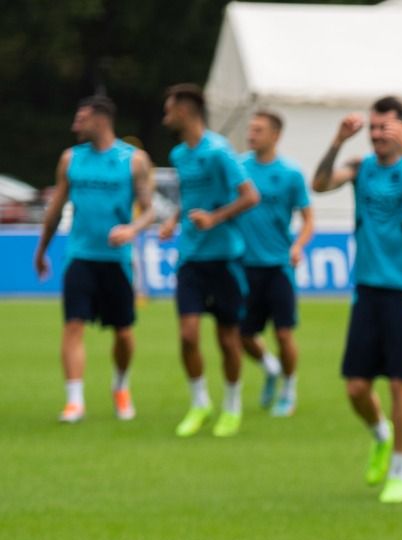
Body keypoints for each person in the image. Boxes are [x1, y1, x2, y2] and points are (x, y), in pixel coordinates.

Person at [312, 96, 402, 504]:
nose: (376, 135)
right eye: (372, 128)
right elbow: (318, 185)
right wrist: (336, 142)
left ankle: (400, 470)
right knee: (356, 387)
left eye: (384, 128)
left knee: (400, 383)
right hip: (367, 288)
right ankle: (380, 435)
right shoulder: (360, 168)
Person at [34, 95, 155, 423]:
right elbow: (56, 210)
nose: (75, 125)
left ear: (100, 120)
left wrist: (132, 229)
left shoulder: (134, 160)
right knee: (73, 326)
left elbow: (151, 210)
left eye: (81, 118)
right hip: (80, 257)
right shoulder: (70, 159)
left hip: (116, 261)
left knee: (124, 333)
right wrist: (42, 250)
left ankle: (120, 386)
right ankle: (75, 401)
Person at [158, 84, 260, 438]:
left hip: (225, 259)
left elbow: (250, 196)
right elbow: (190, 199)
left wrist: (215, 218)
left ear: (185, 111)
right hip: (191, 258)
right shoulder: (179, 155)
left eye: (169, 109)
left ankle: (231, 405)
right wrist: (174, 220)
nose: (165, 116)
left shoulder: (219, 151)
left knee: (228, 338)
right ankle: (199, 402)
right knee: (187, 336)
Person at [236, 109, 314, 417]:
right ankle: (270, 368)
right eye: (250, 129)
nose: (251, 134)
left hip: (279, 266)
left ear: (275, 136)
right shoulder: (238, 168)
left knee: (283, 333)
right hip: (244, 265)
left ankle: (289, 389)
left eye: (258, 130)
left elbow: (309, 220)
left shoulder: (291, 174)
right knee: (243, 335)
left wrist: (298, 245)